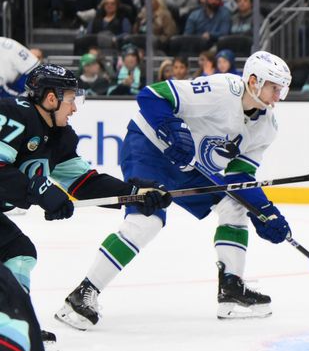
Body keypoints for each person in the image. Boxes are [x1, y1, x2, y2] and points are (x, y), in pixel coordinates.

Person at [56, 52, 293, 330]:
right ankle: (83, 293)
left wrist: (264, 211)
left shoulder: (267, 127)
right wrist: (174, 130)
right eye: (274, 88)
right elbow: (150, 96)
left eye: (282, 90)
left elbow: (239, 177)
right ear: (254, 80)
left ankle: (231, 289)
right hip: (150, 149)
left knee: (235, 205)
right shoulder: (222, 90)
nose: (278, 97)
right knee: (147, 220)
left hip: (191, 168)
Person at [0, 64, 170, 351]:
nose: (75, 108)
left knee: (19, 253)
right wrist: (36, 190)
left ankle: (17, 326)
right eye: (72, 99)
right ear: (50, 98)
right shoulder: (12, 117)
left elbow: (84, 182)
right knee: (17, 252)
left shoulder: (58, 138)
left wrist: (134, 194)